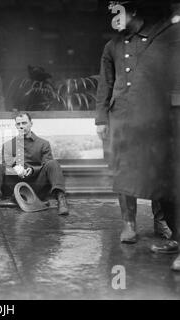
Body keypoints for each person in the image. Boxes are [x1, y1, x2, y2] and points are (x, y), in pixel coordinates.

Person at [96, 1, 176, 244]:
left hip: (152, 114)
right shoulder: (112, 46)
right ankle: (128, 224)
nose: (114, 18)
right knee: (123, 168)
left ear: (133, 12)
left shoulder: (155, 41)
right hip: (120, 115)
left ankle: (160, 220)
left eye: (118, 12)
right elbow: (105, 84)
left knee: (157, 166)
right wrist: (101, 119)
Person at [0, 112, 69, 216]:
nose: (21, 126)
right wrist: (15, 168)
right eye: (18, 124)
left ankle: (61, 201)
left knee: (53, 163)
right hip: (14, 185)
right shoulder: (8, 145)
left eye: (24, 123)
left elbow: (46, 164)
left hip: (36, 185)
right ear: (16, 125)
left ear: (31, 123)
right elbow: (4, 164)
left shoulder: (43, 144)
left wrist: (33, 169)